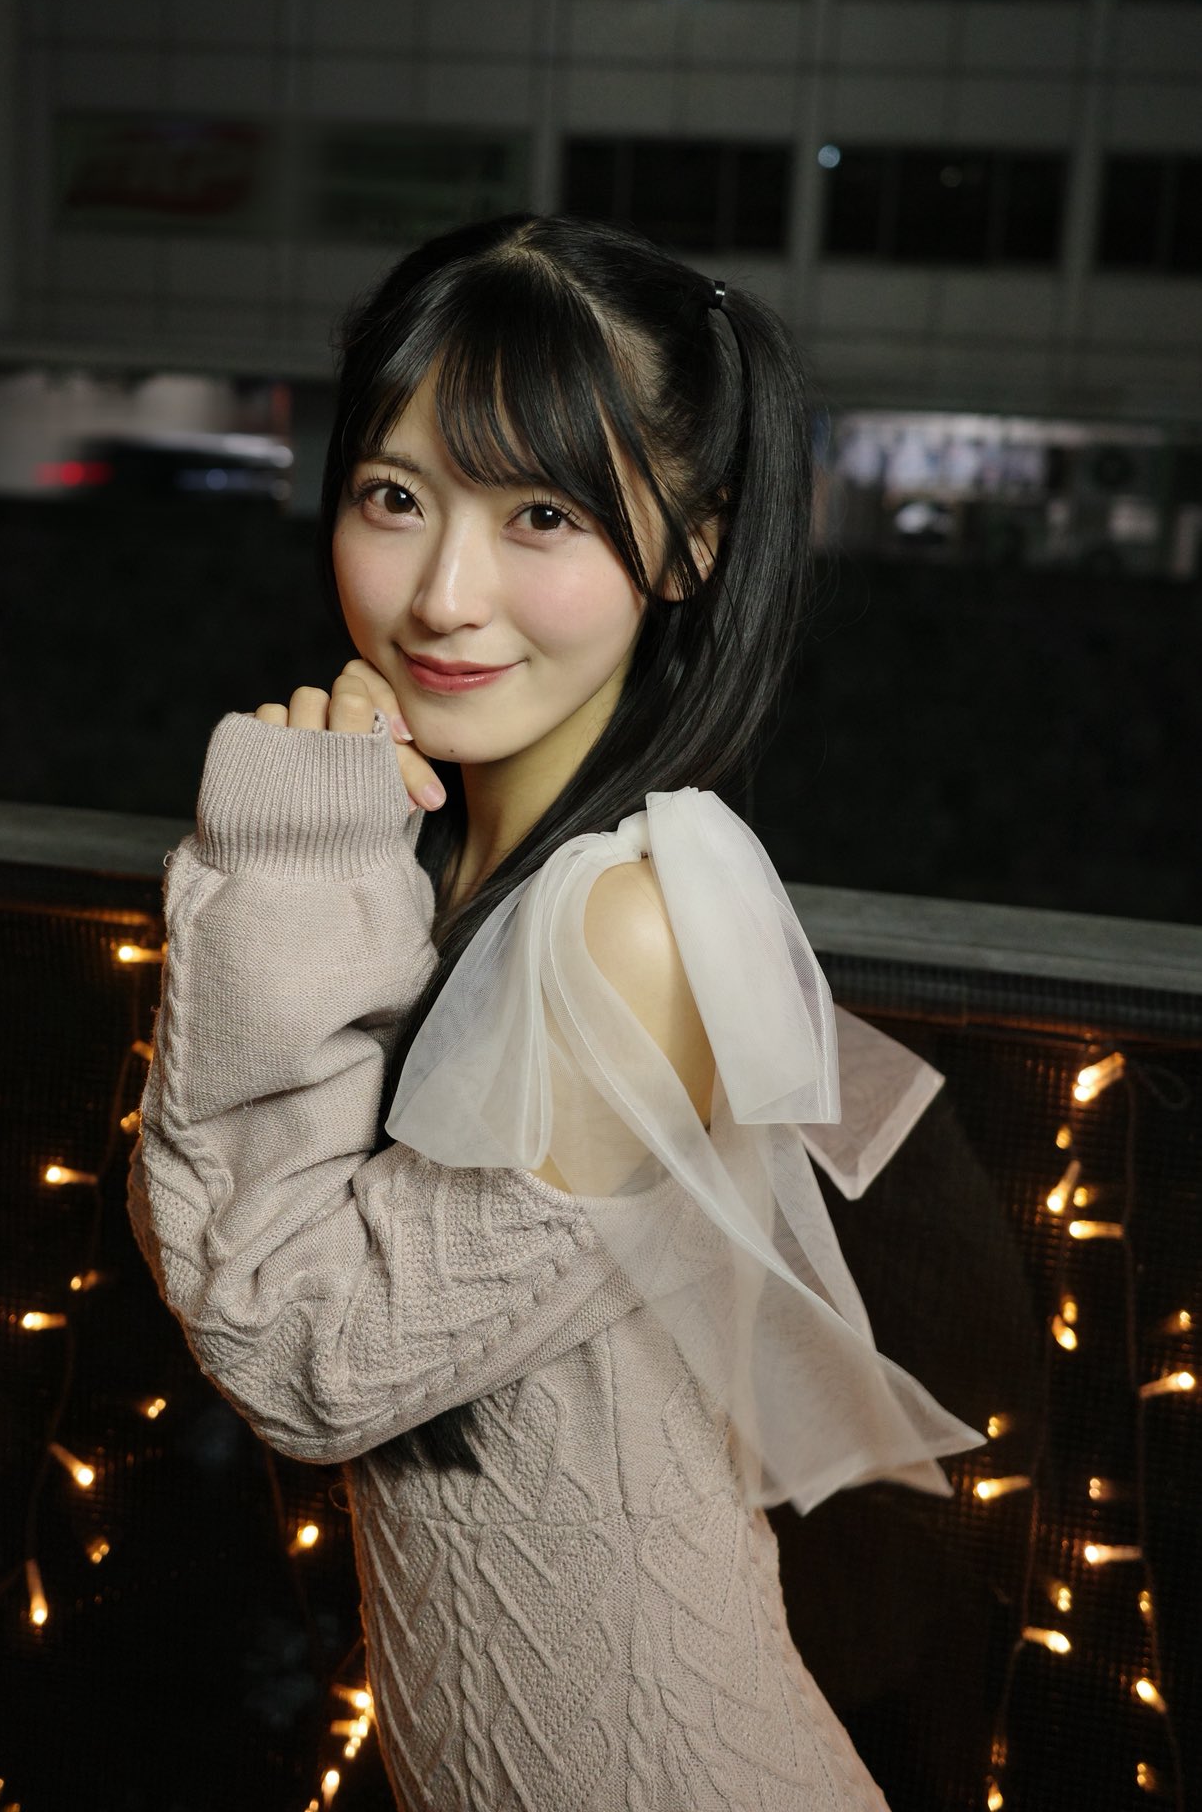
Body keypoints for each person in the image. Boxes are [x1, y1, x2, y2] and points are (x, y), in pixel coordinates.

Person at [127, 211, 984, 1810]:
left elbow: (301, 1356)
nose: (442, 595)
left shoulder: (633, 923)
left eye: (541, 514)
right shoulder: (448, 865)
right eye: (395, 497)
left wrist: (288, 859)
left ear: (690, 547)